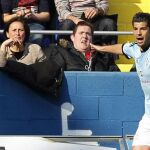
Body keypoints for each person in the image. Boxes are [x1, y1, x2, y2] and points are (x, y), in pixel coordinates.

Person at [90, 12, 150, 150]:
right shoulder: (135, 49)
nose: (139, 33)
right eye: (136, 28)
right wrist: (100, 48)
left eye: (143, 28)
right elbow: (122, 48)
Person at [48, 21, 119, 71]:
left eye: (88, 34)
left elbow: (117, 77)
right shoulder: (62, 54)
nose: (84, 36)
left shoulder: (104, 57)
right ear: (72, 37)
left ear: (92, 38)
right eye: (81, 33)